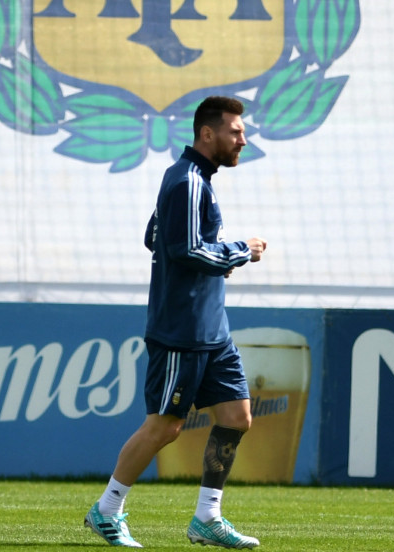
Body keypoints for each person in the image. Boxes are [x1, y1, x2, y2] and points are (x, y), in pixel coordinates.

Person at [85, 95, 267, 549]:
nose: (243, 138)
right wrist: (239, 251)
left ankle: (207, 518)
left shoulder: (195, 178)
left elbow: (154, 235)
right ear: (208, 134)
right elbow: (182, 249)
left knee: (237, 416)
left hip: (212, 330)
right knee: (165, 427)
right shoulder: (187, 181)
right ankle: (106, 510)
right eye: (235, 131)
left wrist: (214, 257)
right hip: (181, 331)